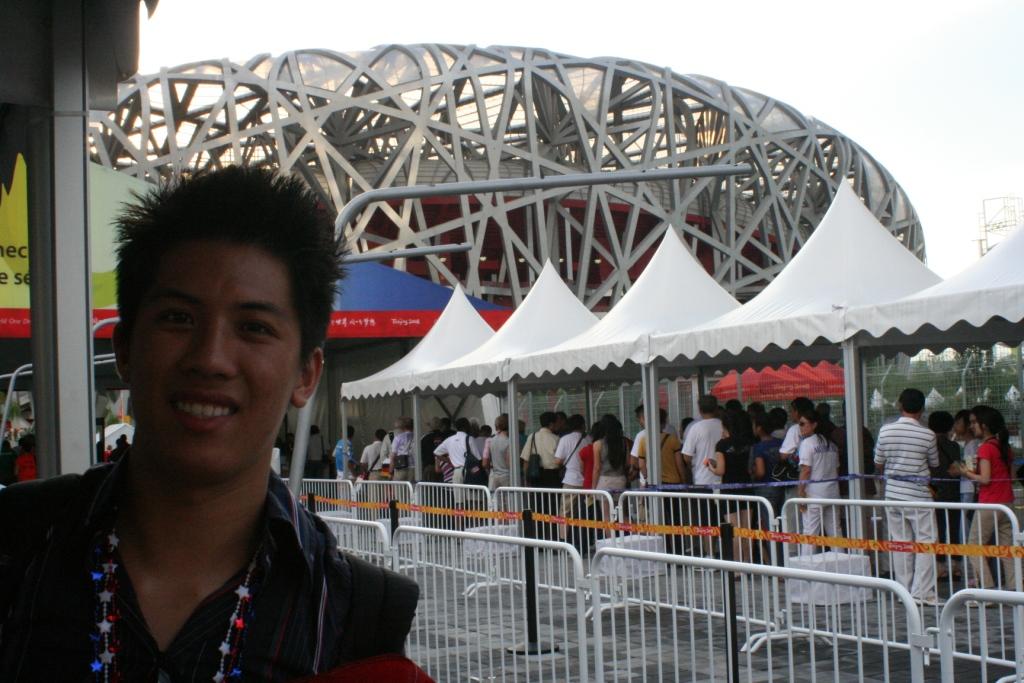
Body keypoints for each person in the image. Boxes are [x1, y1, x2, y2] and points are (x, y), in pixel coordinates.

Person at [0, 167, 418, 680]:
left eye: (254, 327)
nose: (211, 358)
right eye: (178, 318)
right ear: (126, 348)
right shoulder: (15, 549)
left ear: (306, 374)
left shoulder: (360, 617)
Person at [874, 388, 939, 604]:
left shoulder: (885, 431)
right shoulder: (928, 434)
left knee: (900, 543)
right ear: (922, 409)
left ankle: (904, 591)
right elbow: (934, 463)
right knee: (925, 543)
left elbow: (878, 463)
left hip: (892, 494)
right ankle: (922, 592)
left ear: (900, 405)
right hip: (918, 496)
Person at [956, 405, 1017, 589]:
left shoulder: (985, 448)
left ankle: (987, 589)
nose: (971, 426)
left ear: (985, 425)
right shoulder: (1004, 447)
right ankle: (1014, 588)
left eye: (974, 422)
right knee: (1007, 549)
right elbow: (1011, 477)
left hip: (989, 503)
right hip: (1007, 503)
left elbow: (984, 479)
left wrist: (967, 473)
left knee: (974, 546)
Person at [709, 410, 754, 561]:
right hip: (747, 488)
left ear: (725, 426)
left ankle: (736, 568)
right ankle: (748, 564)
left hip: (729, 490)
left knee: (733, 531)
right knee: (746, 531)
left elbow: (720, 470)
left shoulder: (722, 445)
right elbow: (750, 468)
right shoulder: (748, 442)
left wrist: (710, 467)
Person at [796, 406, 841, 553]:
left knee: (810, 534)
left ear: (814, 425)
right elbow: (836, 468)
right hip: (832, 493)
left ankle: (806, 573)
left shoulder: (808, 443)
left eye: (803, 423)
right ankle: (841, 569)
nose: (800, 427)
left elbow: (806, 470)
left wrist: (801, 494)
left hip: (814, 495)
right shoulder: (832, 445)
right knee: (835, 533)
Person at [928, 410, 962, 580]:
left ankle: (940, 566)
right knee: (955, 529)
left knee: (938, 530)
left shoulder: (929, 445)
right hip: (954, 492)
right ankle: (956, 566)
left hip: (935, 493)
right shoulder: (955, 447)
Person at [519, 412, 561, 488]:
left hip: (535, 475)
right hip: (553, 476)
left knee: (537, 499)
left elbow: (526, 460)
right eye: (556, 423)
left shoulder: (532, 437)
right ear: (551, 424)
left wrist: (526, 480)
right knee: (553, 499)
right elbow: (560, 460)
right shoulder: (556, 439)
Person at [483, 414, 511, 490]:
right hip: (506, 476)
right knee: (509, 501)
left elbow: (487, 461)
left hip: (495, 476)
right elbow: (509, 463)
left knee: (498, 501)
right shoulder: (508, 441)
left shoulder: (492, 440)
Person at [390, 417, 416, 483]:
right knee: (412, 490)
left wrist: (390, 472)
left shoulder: (398, 437)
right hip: (414, 468)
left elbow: (393, 456)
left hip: (400, 467)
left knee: (399, 491)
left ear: (403, 427)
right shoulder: (417, 437)